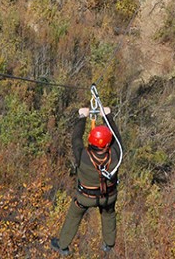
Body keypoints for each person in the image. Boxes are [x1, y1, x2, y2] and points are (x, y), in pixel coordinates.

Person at [51, 106, 123, 255]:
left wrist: (82, 117)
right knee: (108, 214)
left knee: (74, 214)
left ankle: (63, 245)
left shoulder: (83, 156)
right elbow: (117, 136)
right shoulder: (116, 154)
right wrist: (107, 115)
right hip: (108, 196)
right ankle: (109, 244)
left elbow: (76, 138)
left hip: (85, 197)